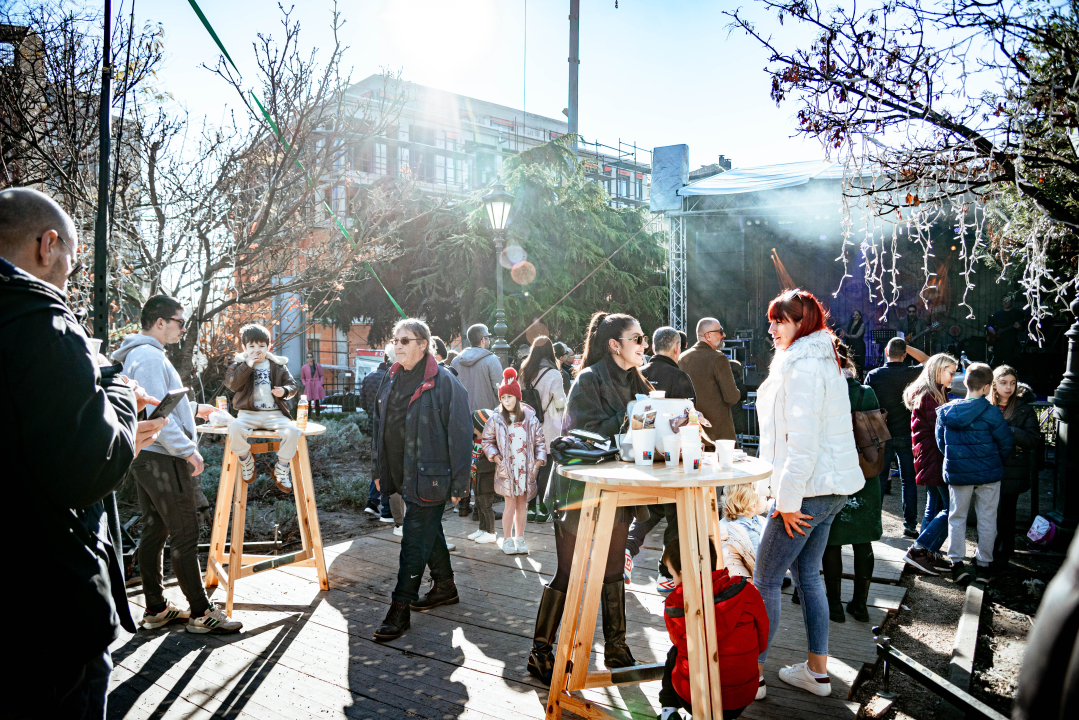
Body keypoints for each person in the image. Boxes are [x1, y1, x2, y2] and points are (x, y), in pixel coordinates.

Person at [1, 186, 166, 718]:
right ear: (48, 245)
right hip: (51, 603)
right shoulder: (39, 321)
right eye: (71, 257)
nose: (70, 273)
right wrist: (116, 394)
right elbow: (88, 466)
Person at [528, 312, 652, 684]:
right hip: (576, 492)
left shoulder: (638, 379)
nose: (643, 345)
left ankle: (615, 648)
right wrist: (634, 416)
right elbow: (583, 435)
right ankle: (540, 652)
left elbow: (639, 437)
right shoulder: (587, 378)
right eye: (638, 338)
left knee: (613, 570)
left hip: (616, 490)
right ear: (615, 344)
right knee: (570, 571)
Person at [754, 289, 864, 698]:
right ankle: (817, 672)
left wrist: (786, 503)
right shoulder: (824, 359)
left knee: (765, 579)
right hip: (829, 488)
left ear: (802, 323)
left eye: (779, 320)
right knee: (808, 577)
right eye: (772, 320)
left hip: (806, 491)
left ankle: (754, 674)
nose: (772, 328)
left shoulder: (802, 366)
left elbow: (802, 444)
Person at [112, 296, 242, 634]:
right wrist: (188, 450)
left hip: (147, 456)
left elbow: (159, 401)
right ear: (159, 322)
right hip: (164, 456)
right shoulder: (150, 356)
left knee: (155, 529)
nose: (183, 328)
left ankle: (156, 608)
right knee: (186, 531)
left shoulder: (139, 354)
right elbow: (159, 415)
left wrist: (197, 408)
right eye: (179, 322)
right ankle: (201, 613)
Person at [372, 318, 471, 641]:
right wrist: (379, 471)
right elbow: (380, 428)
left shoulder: (444, 382)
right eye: (395, 339)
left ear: (423, 344)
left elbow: (460, 435)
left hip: (431, 477)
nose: (397, 345)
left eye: (405, 340)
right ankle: (445, 585)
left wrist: (460, 484)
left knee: (413, 540)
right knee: (427, 529)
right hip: (403, 473)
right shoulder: (390, 378)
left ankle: (399, 608)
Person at [659, 537, 768, 720]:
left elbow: (679, 643)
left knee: (674, 653)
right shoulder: (747, 591)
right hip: (740, 699)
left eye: (673, 575)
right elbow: (762, 639)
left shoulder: (676, 604)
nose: (674, 581)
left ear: (684, 572)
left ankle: (668, 712)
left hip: (694, 698)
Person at [626, 326, 697, 591]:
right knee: (676, 512)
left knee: (653, 506)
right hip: (672, 456)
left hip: (641, 456)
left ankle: (628, 546)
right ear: (677, 348)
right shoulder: (680, 377)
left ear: (653, 346)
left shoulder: (637, 374)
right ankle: (667, 574)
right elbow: (692, 417)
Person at [822, 340, 884, 623]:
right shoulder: (866, 393)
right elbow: (877, 436)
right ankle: (860, 604)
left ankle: (833, 606)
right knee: (863, 541)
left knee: (831, 541)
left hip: (831, 474)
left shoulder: (821, 392)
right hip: (864, 473)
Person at [937, 362, 1013, 585]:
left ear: (966, 383)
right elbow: (1005, 443)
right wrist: (995, 463)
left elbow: (942, 445)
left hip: (959, 472)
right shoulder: (992, 412)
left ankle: (956, 563)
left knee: (957, 516)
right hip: (989, 474)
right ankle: (983, 565)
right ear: (988, 386)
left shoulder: (947, 412)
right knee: (988, 518)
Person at [223, 324, 302, 493]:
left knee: (293, 431)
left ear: (268, 346)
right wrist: (247, 365)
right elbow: (232, 384)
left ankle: (281, 467)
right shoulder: (239, 364)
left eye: (261, 346)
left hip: (274, 413)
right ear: (244, 348)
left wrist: (285, 391)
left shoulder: (277, 365)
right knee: (234, 428)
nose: (256, 350)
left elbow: (293, 385)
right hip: (248, 413)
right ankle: (246, 459)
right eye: (251, 346)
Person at [901, 354, 960, 576]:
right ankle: (919, 550)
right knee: (951, 509)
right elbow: (941, 431)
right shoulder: (930, 396)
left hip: (930, 457)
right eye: (951, 372)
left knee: (934, 506)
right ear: (937, 371)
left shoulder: (935, 392)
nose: (954, 377)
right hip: (935, 458)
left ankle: (925, 554)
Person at [865, 337, 928, 534]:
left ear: (886, 353)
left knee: (881, 479)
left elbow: (867, 401)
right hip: (906, 432)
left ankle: (875, 521)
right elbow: (928, 360)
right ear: (904, 355)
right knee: (909, 479)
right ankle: (910, 524)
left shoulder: (874, 375)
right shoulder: (913, 373)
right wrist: (908, 347)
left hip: (882, 433)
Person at [482, 368, 547, 555]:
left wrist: (537, 463)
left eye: (510, 397)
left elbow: (540, 442)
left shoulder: (530, 419)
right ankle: (507, 539)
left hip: (526, 469)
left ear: (517, 397)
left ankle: (520, 538)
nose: (506, 401)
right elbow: (487, 441)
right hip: (508, 469)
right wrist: (496, 457)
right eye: (503, 398)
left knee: (522, 504)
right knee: (509, 504)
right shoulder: (496, 419)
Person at [988, 365, 1040, 570]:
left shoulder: (1023, 408)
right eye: (1003, 383)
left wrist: (1008, 431)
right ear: (994, 384)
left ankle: (1003, 553)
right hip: (989, 466)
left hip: (1013, 468)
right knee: (988, 512)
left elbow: (1032, 439)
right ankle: (987, 552)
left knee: (1007, 513)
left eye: (1012, 383)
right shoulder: (986, 405)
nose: (1008, 387)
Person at [519, 336, 566, 522]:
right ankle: (544, 509)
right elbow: (560, 403)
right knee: (545, 466)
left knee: (531, 468)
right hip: (548, 426)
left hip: (528, 425)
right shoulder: (554, 374)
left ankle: (530, 508)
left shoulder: (524, 370)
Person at [678, 316, 740, 444]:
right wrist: (740, 390)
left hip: (691, 433)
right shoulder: (718, 359)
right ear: (708, 336)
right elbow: (731, 397)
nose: (724, 335)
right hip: (718, 435)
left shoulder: (682, 358)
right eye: (720, 331)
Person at [719, 483, 768, 579]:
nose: (767, 498)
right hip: (755, 578)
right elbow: (731, 561)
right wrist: (746, 581)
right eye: (764, 498)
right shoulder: (738, 531)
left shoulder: (757, 520)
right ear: (752, 506)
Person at [452, 323, 504, 414]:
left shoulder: (455, 361)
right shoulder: (492, 360)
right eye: (488, 336)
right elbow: (500, 390)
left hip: (462, 415)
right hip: (487, 416)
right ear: (483, 339)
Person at [467, 409, 499, 544]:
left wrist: (478, 466)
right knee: (479, 505)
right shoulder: (476, 441)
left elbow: (491, 463)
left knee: (486, 506)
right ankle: (482, 529)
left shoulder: (489, 444)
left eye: (473, 424)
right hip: (476, 479)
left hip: (486, 480)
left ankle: (491, 532)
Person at [987, 295, 1028, 368]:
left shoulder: (1018, 313)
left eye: (1007, 300)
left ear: (1011, 301)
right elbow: (989, 325)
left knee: (1010, 364)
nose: (1005, 302)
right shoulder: (997, 314)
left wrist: (1019, 327)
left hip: (1011, 343)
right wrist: (990, 328)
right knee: (997, 364)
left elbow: (1023, 328)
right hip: (998, 344)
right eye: (1003, 301)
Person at [838, 310, 866, 376]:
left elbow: (857, 336)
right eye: (854, 314)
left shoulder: (862, 325)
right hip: (850, 346)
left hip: (859, 347)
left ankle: (860, 382)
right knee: (851, 364)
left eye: (857, 314)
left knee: (859, 365)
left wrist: (846, 335)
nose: (855, 316)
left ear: (859, 316)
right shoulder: (850, 324)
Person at [300, 351, 325, 418]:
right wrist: (305, 384)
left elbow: (321, 375)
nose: (309, 358)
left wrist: (320, 383)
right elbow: (302, 377)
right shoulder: (304, 367)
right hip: (308, 384)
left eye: (310, 357)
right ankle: (309, 416)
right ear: (306, 359)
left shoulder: (317, 366)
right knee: (308, 401)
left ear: (313, 358)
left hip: (316, 383)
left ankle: (317, 416)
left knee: (317, 400)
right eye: (308, 357)